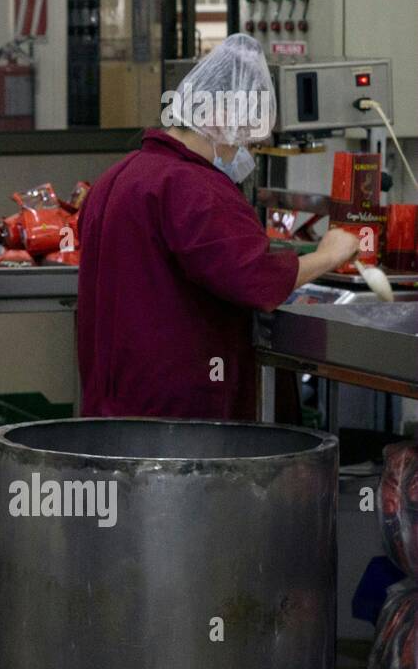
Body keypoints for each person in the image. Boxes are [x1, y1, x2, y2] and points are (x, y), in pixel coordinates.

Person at [76, 33, 359, 421]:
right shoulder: (194, 189)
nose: (244, 153)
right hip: (178, 416)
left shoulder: (116, 177)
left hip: (114, 407)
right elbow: (257, 280)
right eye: (245, 140)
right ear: (218, 117)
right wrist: (331, 253)